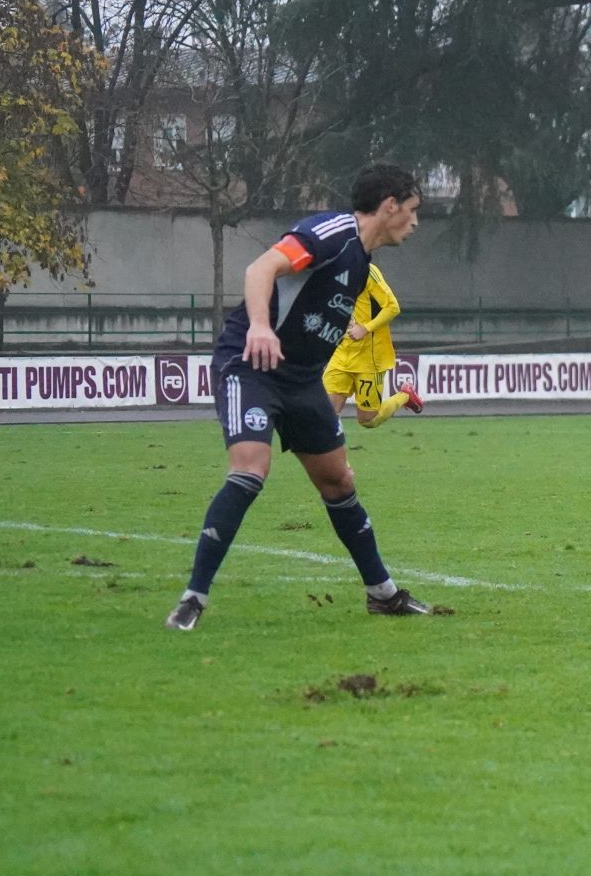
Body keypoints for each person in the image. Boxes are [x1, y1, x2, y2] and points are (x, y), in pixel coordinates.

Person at [164, 164, 437, 630]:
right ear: (389, 205)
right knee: (252, 468)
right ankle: (193, 598)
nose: (414, 222)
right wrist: (259, 326)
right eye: (411, 211)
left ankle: (382, 594)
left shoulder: (362, 265)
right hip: (251, 366)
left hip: (303, 382)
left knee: (339, 482)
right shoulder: (331, 233)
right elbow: (261, 267)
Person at [320, 262, 425, 429]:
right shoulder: (329, 273)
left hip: (370, 358)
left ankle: (405, 395)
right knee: (324, 414)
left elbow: (393, 307)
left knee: (368, 420)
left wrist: (365, 328)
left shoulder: (367, 271)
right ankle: (333, 454)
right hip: (341, 354)